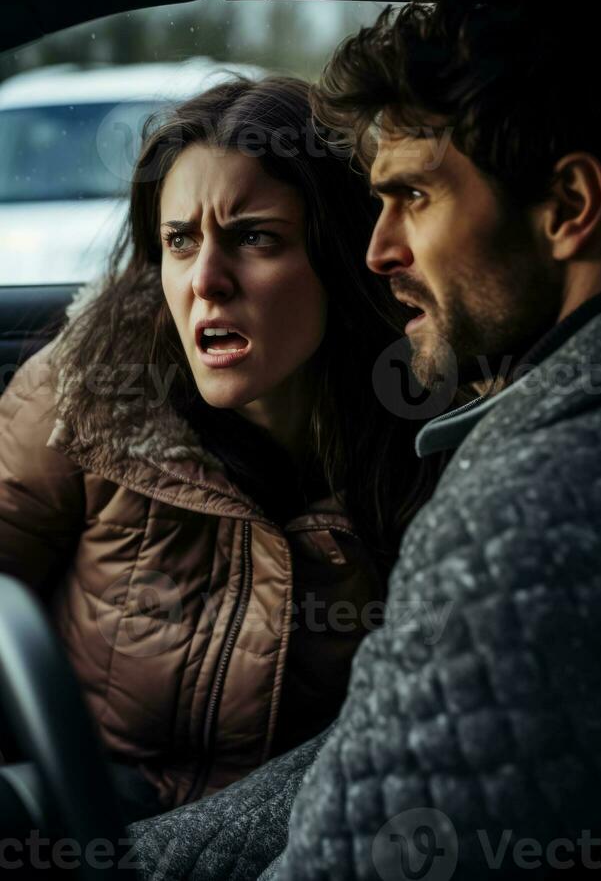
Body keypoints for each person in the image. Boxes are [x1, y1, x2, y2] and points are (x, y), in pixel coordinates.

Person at [127, 0, 601, 879]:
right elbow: (368, 755)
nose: (379, 251)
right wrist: (128, 860)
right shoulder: (565, 428)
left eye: (413, 196)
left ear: (568, 207)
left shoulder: (549, 499)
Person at [0, 76, 442, 822]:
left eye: (254, 237)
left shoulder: (428, 431)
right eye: (179, 242)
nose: (206, 281)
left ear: (340, 252)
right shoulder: (84, 397)